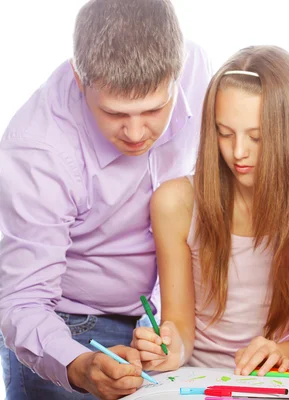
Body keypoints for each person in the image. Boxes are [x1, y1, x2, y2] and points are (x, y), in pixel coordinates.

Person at [0, 0, 210, 398]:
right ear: (81, 80)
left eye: (153, 109)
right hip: (67, 329)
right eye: (115, 114)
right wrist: (78, 366)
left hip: (160, 325)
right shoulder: (36, 150)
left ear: (178, 74)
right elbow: (23, 301)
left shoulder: (197, 67)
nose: (135, 133)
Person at [130, 46, 289, 378]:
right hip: (196, 380)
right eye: (224, 133)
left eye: (257, 137)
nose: (238, 152)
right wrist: (169, 349)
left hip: (280, 379)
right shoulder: (176, 203)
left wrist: (281, 351)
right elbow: (179, 324)